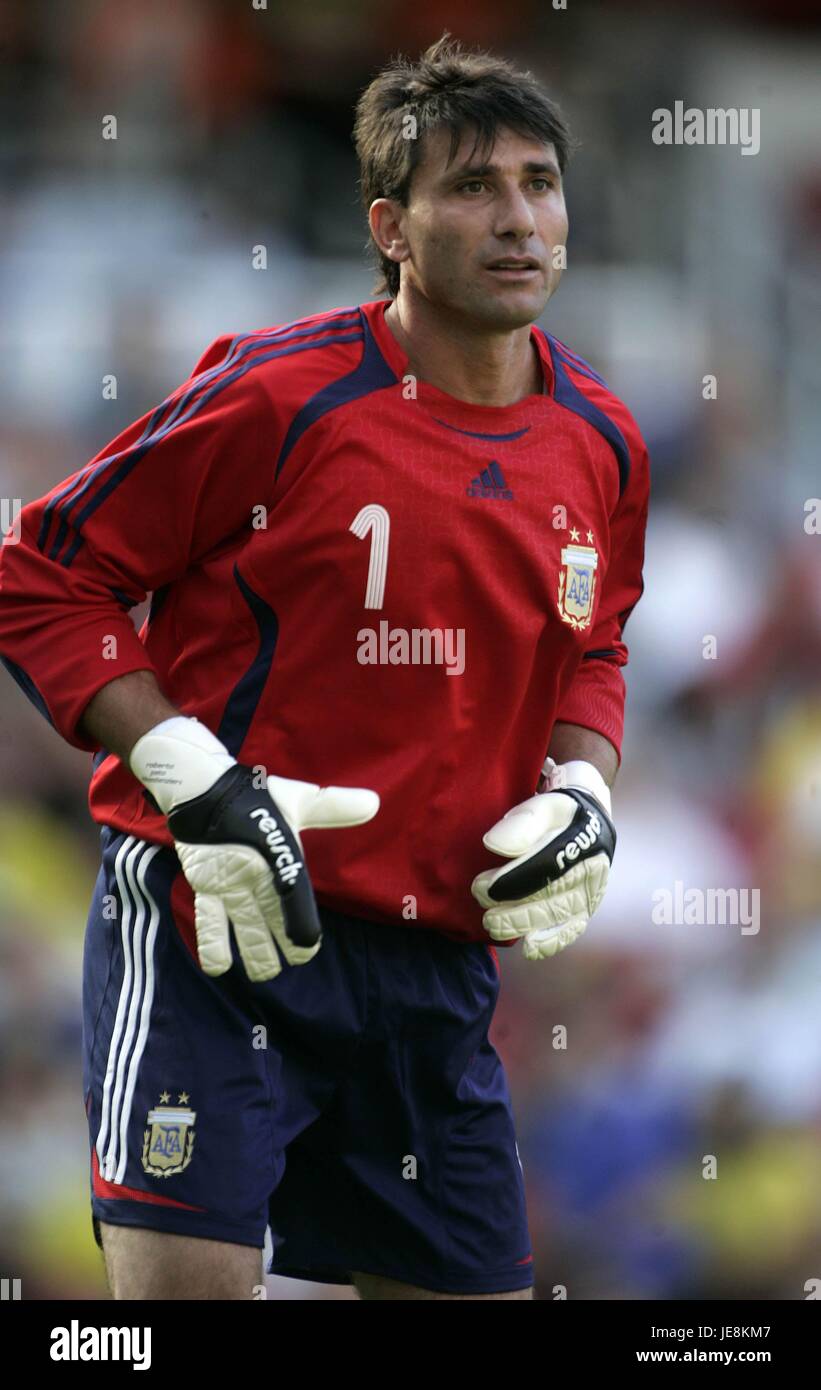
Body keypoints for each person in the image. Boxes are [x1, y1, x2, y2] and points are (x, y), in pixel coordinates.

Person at [0, 33, 650, 1300]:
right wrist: (185, 768)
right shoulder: (276, 394)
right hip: (217, 923)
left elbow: (596, 644)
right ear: (390, 228)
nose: (518, 218)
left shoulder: (604, 440)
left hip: (431, 966)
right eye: (471, 187)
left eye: (537, 182)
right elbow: (39, 569)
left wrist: (586, 790)